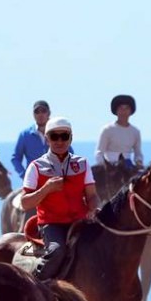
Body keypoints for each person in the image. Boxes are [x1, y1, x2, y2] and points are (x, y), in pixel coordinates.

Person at [21, 117, 99, 280]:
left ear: (71, 138)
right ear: (47, 139)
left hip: (80, 221)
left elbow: (92, 195)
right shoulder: (36, 167)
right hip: (51, 224)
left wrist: (93, 208)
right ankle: (37, 286)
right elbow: (24, 203)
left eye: (64, 136)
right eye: (54, 136)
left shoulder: (83, 163)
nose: (59, 141)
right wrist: (46, 189)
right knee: (57, 251)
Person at [96, 94, 143, 169]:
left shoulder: (135, 131)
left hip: (128, 166)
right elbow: (99, 152)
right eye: (121, 108)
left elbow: (138, 153)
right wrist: (103, 165)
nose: (123, 112)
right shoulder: (107, 129)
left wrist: (139, 162)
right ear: (116, 111)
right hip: (110, 167)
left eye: (127, 108)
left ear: (131, 111)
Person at [10, 100, 50, 176]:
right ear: (33, 115)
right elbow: (15, 158)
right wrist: (24, 175)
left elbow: (68, 155)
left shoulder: (57, 132)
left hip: (55, 181)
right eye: (37, 112)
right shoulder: (25, 135)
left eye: (43, 111)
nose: (40, 114)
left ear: (48, 113)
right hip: (34, 183)